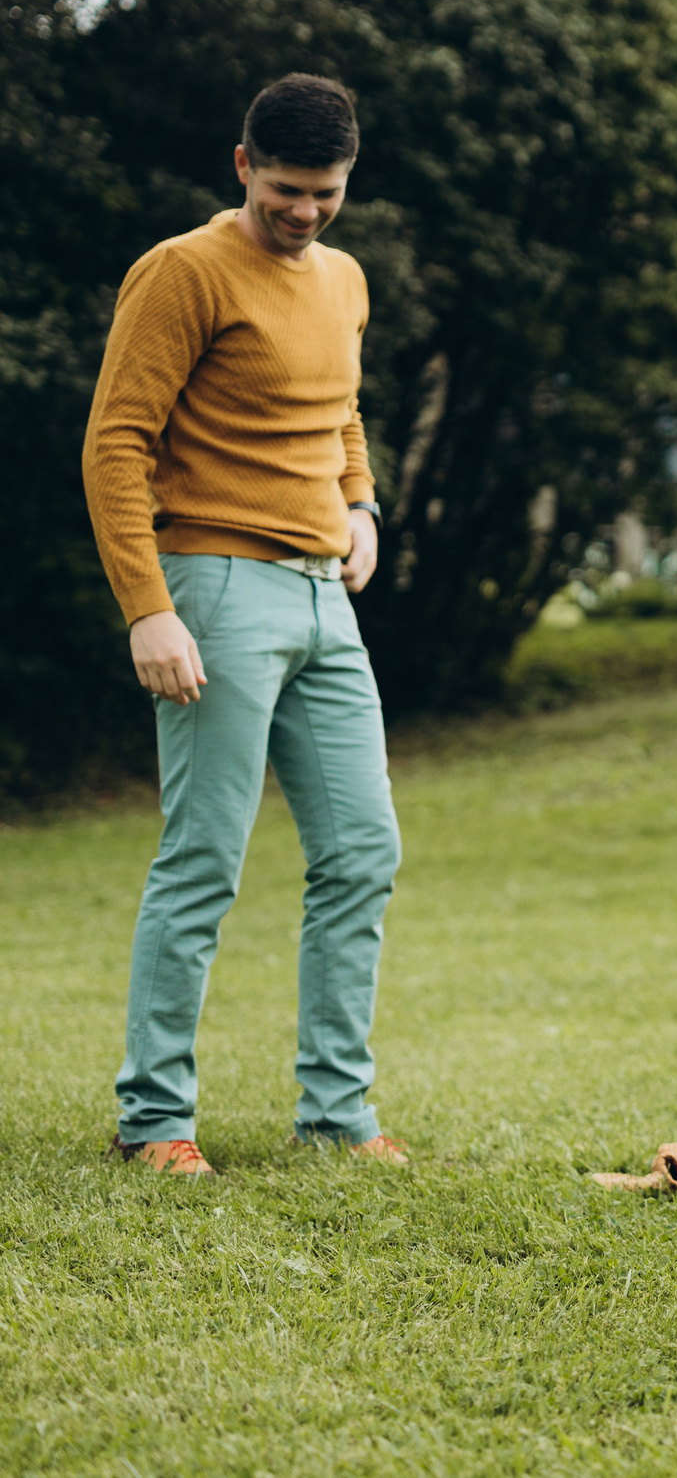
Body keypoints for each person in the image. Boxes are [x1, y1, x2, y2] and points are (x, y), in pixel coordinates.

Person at [80, 73, 405, 1175]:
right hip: (213, 586)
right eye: (285, 192)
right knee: (205, 858)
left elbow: (339, 408)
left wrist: (359, 500)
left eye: (326, 193)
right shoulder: (183, 272)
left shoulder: (346, 280)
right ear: (241, 167)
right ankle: (155, 1118)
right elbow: (117, 444)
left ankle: (336, 1116)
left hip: (323, 595)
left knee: (364, 850)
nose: (304, 213)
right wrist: (149, 609)